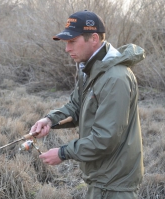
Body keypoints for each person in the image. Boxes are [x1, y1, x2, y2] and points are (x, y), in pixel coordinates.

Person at [29, 10, 145, 199]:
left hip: (115, 184)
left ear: (94, 38)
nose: (67, 48)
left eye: (72, 41)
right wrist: (50, 120)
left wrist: (63, 153)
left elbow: (105, 138)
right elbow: (76, 106)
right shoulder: (89, 70)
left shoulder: (116, 78)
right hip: (101, 178)